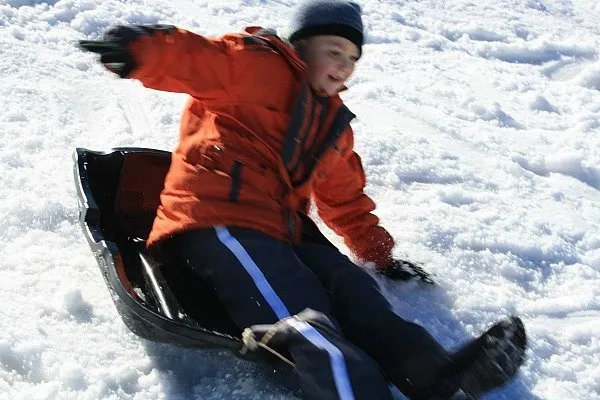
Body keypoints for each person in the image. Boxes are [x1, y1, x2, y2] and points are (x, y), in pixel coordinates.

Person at [79, 1, 527, 399]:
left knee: (356, 291)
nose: (345, 66)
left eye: (353, 59)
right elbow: (202, 60)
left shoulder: (333, 125)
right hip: (217, 221)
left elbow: (345, 197)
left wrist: (380, 256)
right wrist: (142, 50)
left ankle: (433, 373)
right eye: (335, 51)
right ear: (301, 47)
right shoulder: (260, 66)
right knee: (303, 314)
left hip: (285, 230)